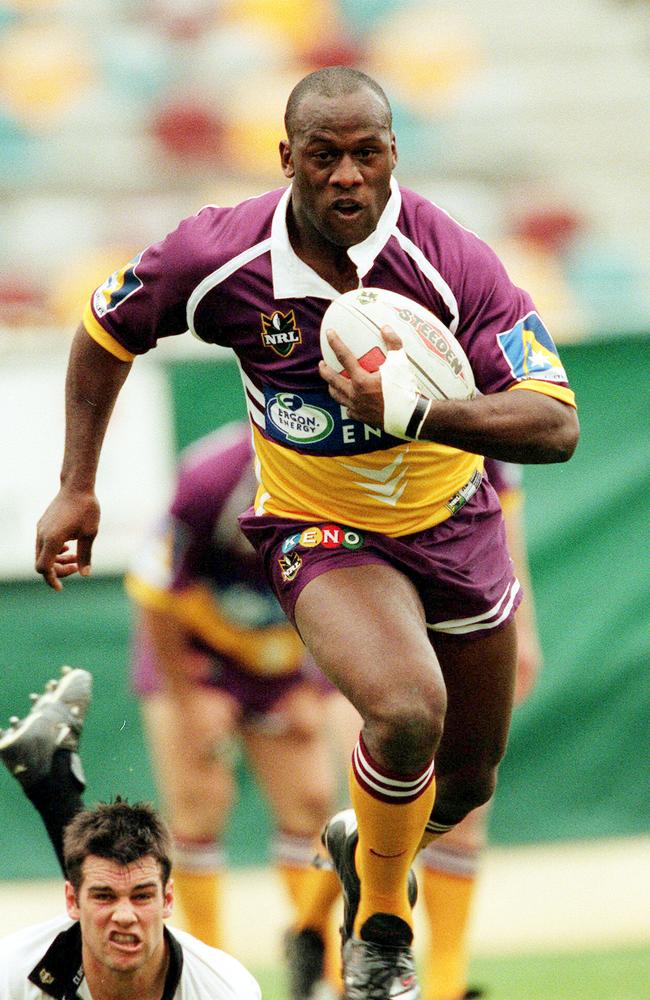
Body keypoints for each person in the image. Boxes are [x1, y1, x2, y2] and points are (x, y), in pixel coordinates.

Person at [34, 65, 579, 1000]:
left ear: (394, 153)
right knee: (407, 712)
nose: (346, 178)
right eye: (322, 157)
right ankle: (379, 931)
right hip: (318, 528)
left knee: (467, 780)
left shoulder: (455, 261)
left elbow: (555, 423)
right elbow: (104, 329)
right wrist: (75, 488)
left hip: (455, 526)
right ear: (286, 158)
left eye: (367, 154)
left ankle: (358, 846)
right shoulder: (219, 255)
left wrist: (412, 407)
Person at [124, 420, 343, 997]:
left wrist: (311, 684)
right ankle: (205, 971)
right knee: (199, 804)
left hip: (279, 653)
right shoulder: (207, 478)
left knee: (312, 801)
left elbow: (352, 593)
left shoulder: (352, 470)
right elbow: (154, 585)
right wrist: (190, 696)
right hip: (191, 646)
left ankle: (315, 956)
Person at [0, 670, 261, 1000]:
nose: (125, 917)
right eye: (104, 896)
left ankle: (51, 778)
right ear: (71, 900)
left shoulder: (226, 990)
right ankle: (51, 777)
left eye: (141, 896)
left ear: (167, 900)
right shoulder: (10, 975)